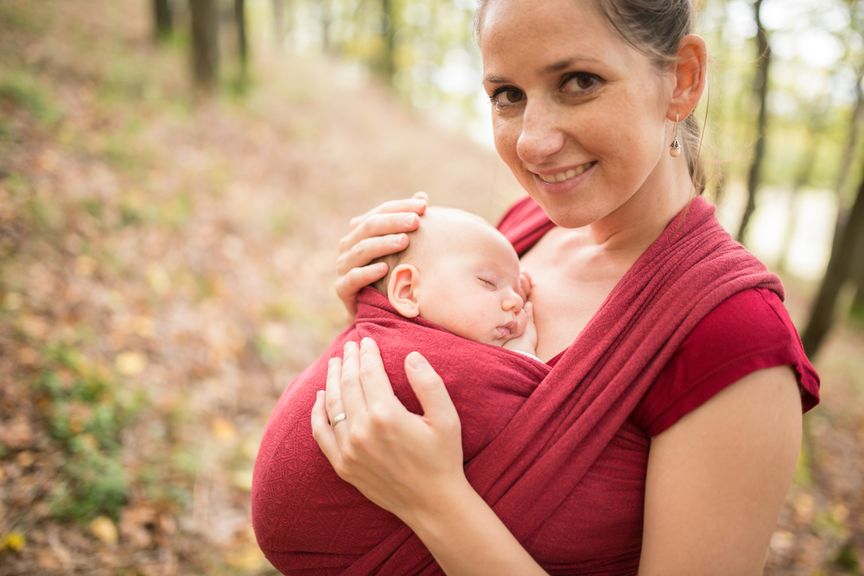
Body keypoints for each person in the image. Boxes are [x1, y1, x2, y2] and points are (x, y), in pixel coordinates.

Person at [305, 0, 821, 575]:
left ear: (682, 79)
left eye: (579, 82)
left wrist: (435, 502)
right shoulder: (521, 232)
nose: (532, 142)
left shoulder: (734, 338)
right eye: (508, 95)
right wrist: (378, 325)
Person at [251, 206, 548, 573]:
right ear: (406, 290)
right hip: (329, 542)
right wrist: (522, 361)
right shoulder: (425, 361)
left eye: (518, 290)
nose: (515, 302)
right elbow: (526, 420)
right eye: (489, 283)